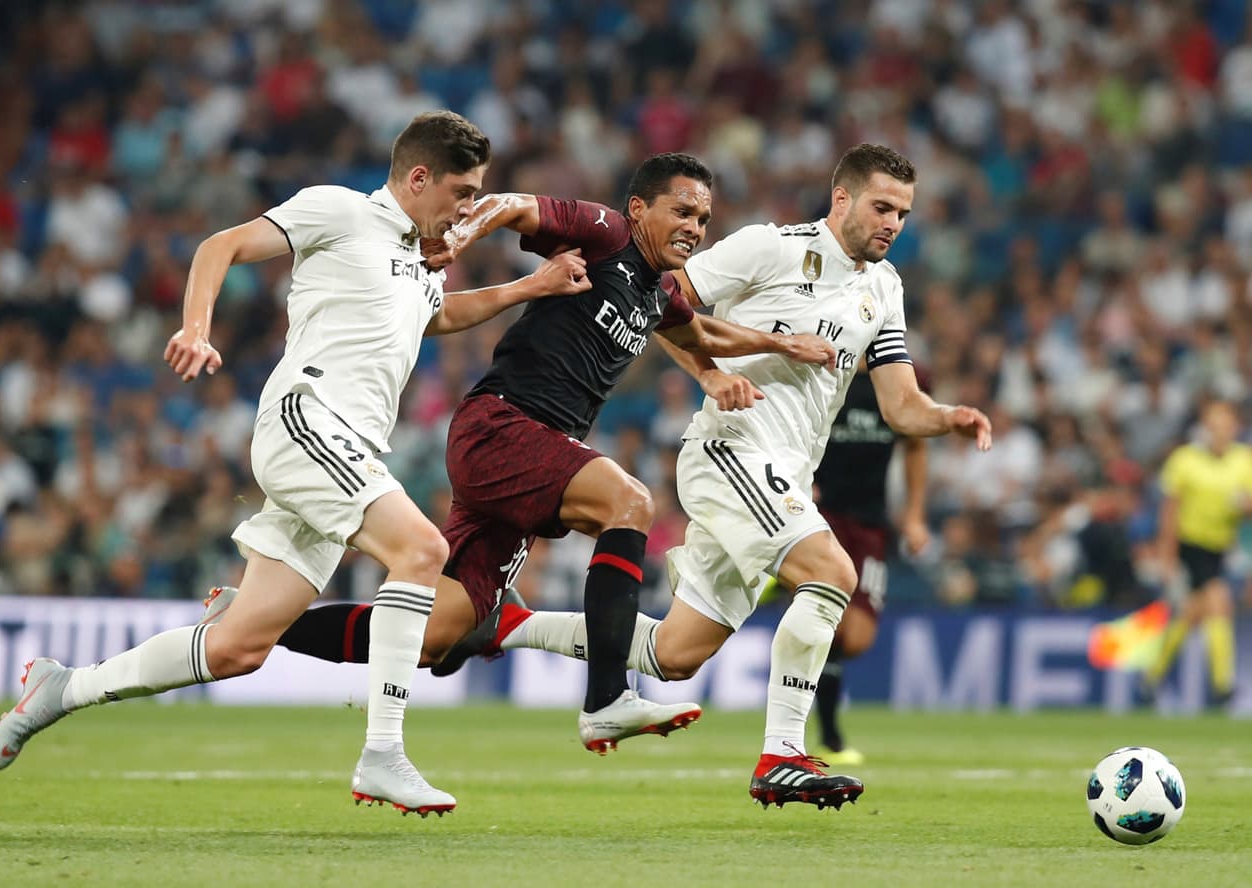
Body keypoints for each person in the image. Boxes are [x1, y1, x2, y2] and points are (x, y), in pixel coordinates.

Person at [269, 144, 993, 810]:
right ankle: (775, 752)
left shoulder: (884, 289)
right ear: (842, 198)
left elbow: (892, 401)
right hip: (727, 451)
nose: (893, 222)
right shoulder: (762, 246)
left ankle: (465, 626)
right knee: (820, 569)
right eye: (881, 206)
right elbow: (650, 280)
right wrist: (713, 377)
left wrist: (947, 417)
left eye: (903, 211)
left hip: (774, 471)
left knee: (665, 654)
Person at [0, 111, 593, 816]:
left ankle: (63, 689)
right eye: (461, 192)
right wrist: (195, 326)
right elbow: (221, 245)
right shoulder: (339, 210)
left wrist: (526, 289)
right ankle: (383, 755)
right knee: (421, 548)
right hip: (307, 419)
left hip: (350, 449)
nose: (469, 209)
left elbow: (434, 316)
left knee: (240, 647)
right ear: (418, 177)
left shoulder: (419, 259)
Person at [806, 359, 930, 766]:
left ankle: (781, 585)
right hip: (821, 516)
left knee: (856, 637)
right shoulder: (823, 372)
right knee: (832, 625)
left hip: (871, 523)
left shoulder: (895, 380)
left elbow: (914, 445)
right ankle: (830, 737)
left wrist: (913, 515)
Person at [1141, 398, 1251, 707]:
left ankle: (1152, 675)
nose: (1220, 431)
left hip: (1220, 548)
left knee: (1191, 613)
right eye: (1214, 425)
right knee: (1220, 602)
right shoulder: (1185, 460)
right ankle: (1222, 684)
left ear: (1235, 428)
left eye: (1226, 425)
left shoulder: (1244, 461)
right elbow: (1169, 510)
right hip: (1190, 546)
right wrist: (1167, 554)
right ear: (1205, 427)